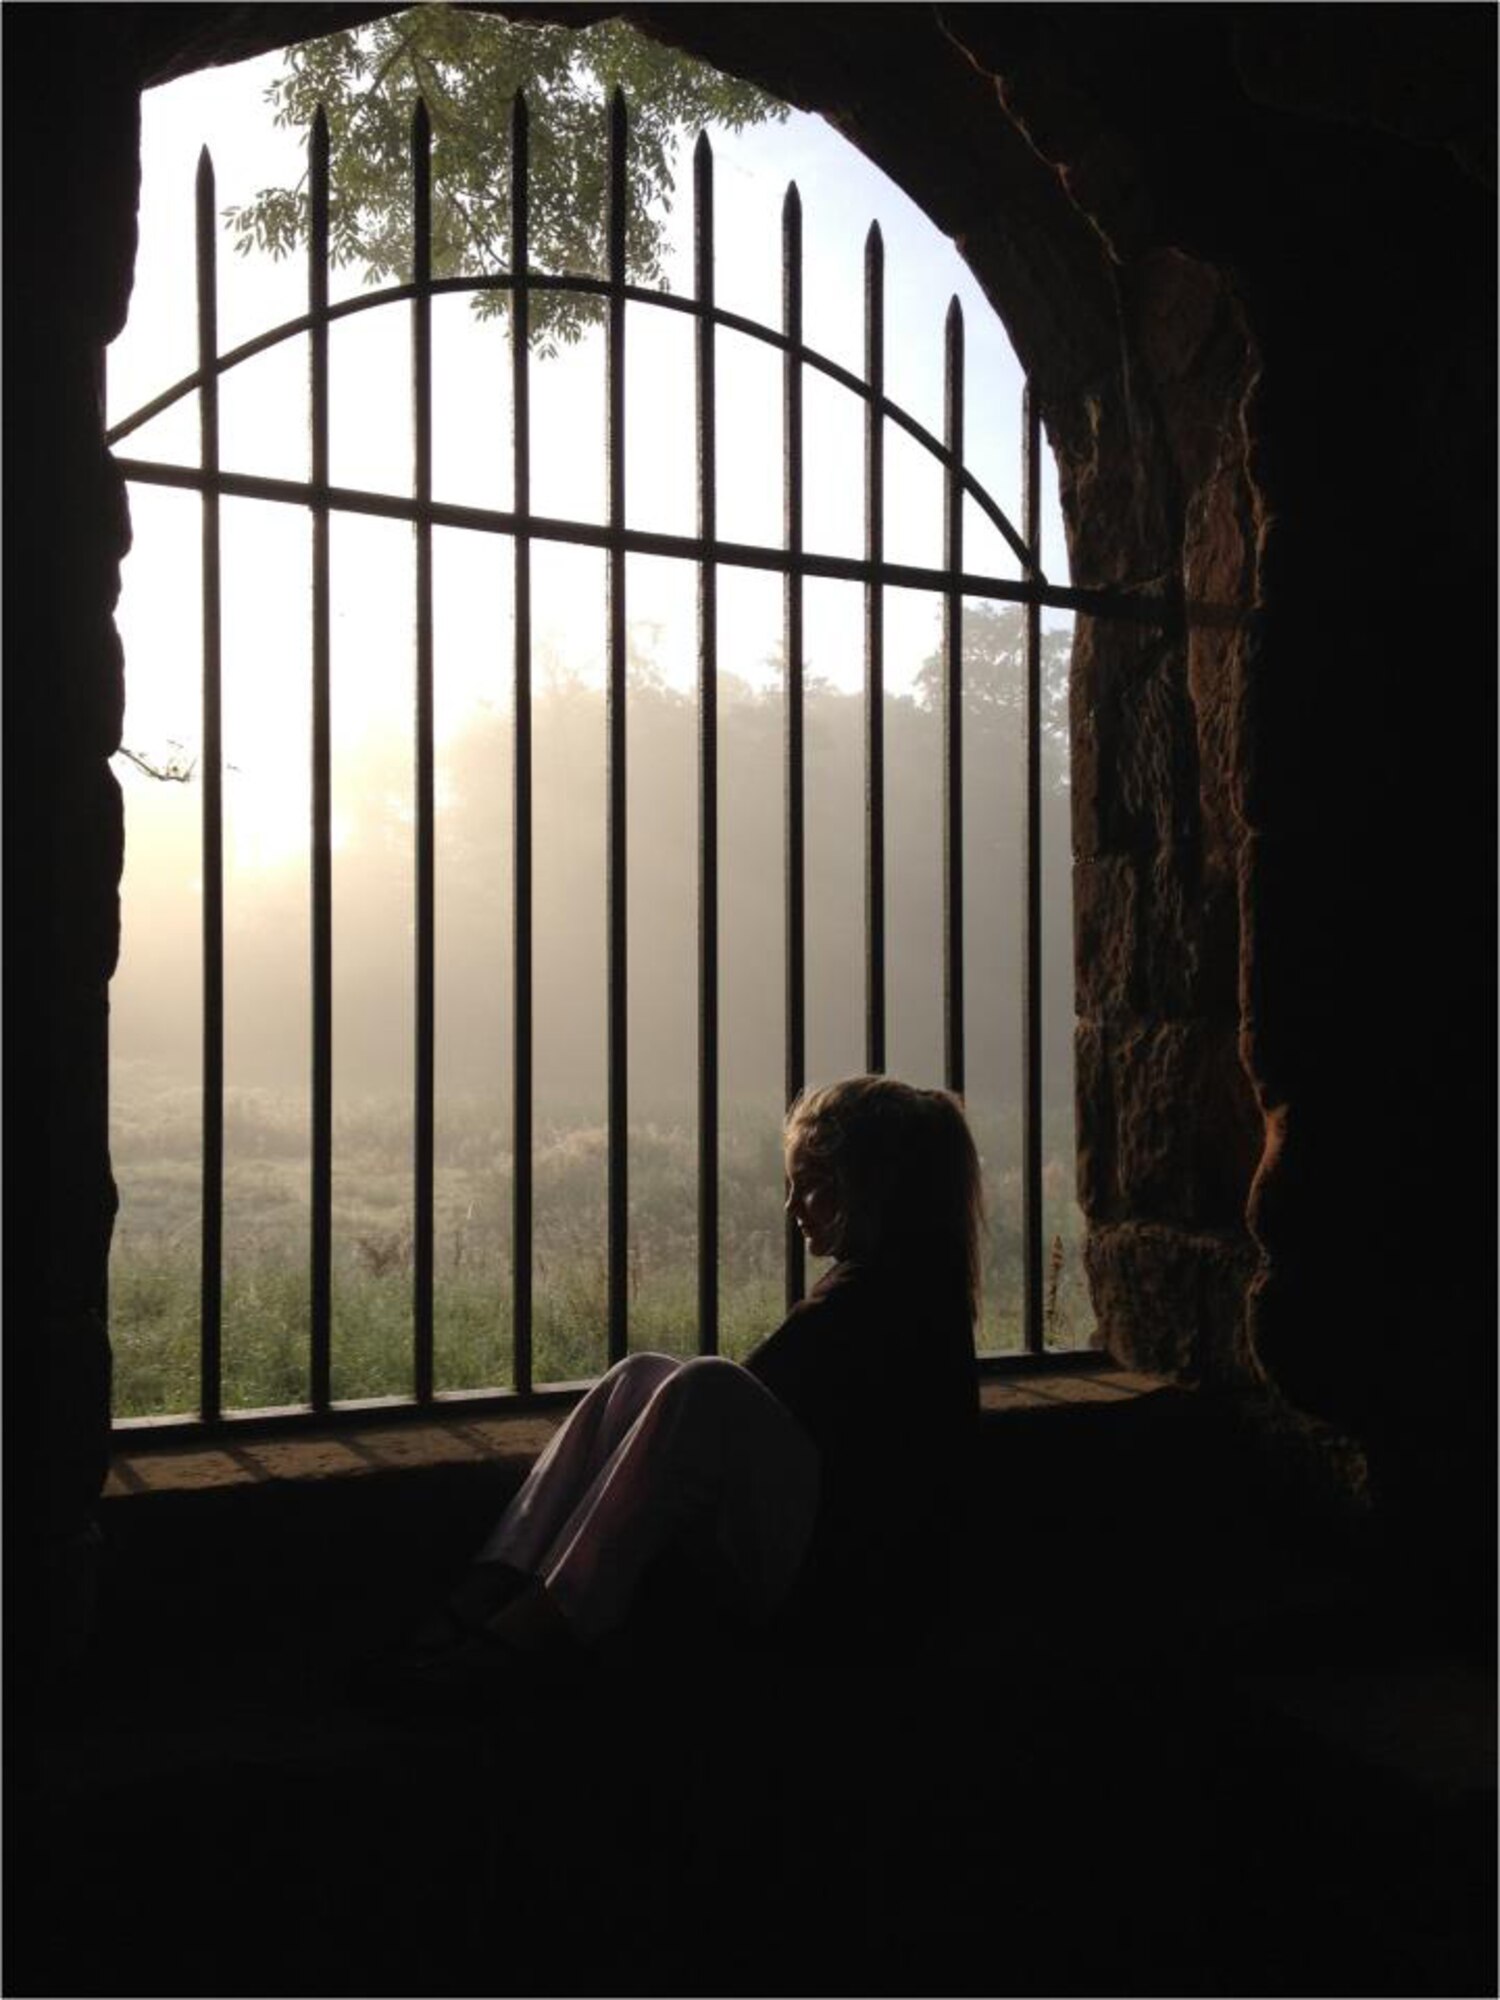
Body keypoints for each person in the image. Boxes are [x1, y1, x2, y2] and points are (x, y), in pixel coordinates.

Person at [374, 1075, 982, 1702]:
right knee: (641, 1374)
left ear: (864, 1189)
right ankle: (494, 1589)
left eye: (810, 1189)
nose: (792, 1208)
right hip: (825, 1545)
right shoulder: (899, 1287)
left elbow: (734, 1409)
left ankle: (542, 1621)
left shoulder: (871, 1304)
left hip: (851, 1585)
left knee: (705, 1388)